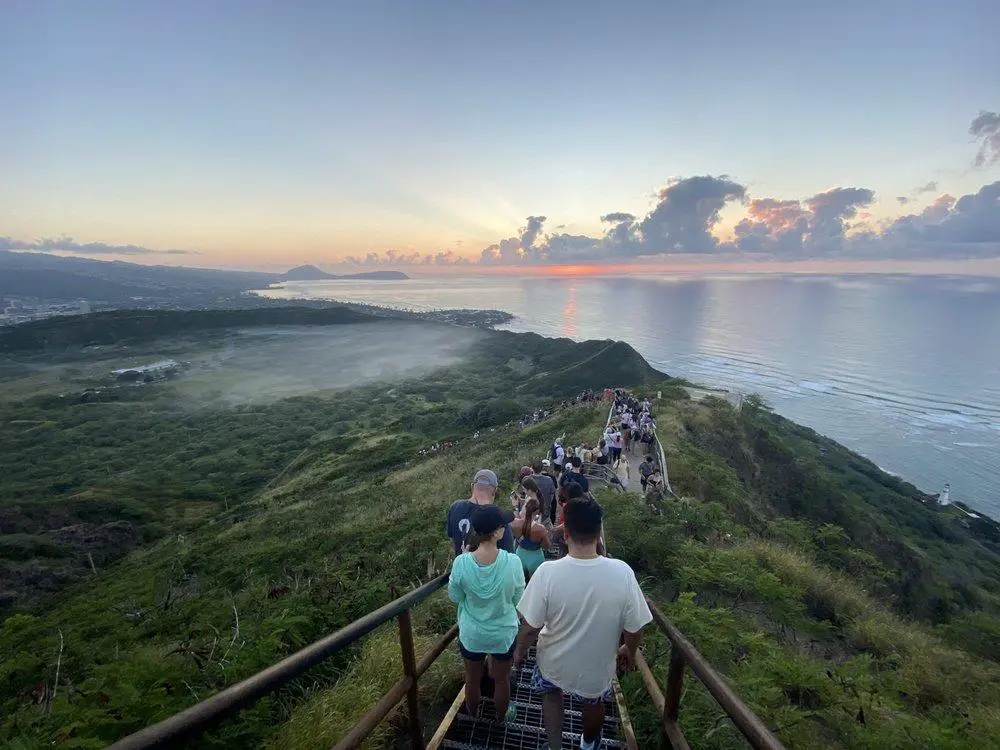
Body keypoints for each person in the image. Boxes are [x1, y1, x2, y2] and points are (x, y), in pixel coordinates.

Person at [513, 497, 652, 750]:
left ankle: (555, 746)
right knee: (593, 702)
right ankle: (588, 745)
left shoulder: (547, 573)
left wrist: (520, 653)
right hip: (597, 667)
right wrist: (628, 650)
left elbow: (531, 626)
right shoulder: (622, 573)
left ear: (565, 533)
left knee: (551, 696)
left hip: (553, 662)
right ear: (599, 533)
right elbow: (635, 627)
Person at [448, 504, 525, 723]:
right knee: (501, 681)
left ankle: (473, 713)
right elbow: (518, 600)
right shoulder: (513, 562)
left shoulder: (461, 563)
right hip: (502, 633)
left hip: (472, 633)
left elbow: (454, 596)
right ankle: (501, 717)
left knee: (471, 679)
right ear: (498, 531)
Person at [446, 469, 514, 555]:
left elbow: (453, 541)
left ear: (472, 487)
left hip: (461, 566)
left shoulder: (455, 507)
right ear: (494, 491)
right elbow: (508, 555)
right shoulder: (498, 517)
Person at [512, 480, 550, 578]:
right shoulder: (540, 529)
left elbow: (518, 520)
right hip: (535, 556)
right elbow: (547, 546)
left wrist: (516, 506)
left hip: (520, 553)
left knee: (520, 580)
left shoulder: (516, 524)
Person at [530, 459, 557, 526]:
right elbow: (552, 494)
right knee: (545, 531)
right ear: (542, 468)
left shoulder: (528, 479)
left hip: (531, 511)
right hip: (545, 511)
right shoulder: (549, 480)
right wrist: (548, 504)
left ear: (532, 468)